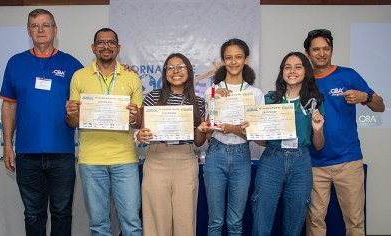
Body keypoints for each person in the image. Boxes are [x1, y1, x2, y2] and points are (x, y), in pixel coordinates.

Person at [0, 9, 83, 236]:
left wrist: (122, 69)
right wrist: (8, 145)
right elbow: (9, 106)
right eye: (35, 26)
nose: (41, 30)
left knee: (62, 213)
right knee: (33, 215)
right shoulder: (15, 63)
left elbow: (93, 92)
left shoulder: (72, 64)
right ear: (28, 31)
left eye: (46, 25)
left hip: (62, 154)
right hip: (27, 154)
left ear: (55, 30)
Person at [303, 29, 385, 236]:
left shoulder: (348, 75)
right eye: (316, 49)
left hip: (348, 161)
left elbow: (380, 106)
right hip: (313, 164)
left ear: (331, 50)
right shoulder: (303, 80)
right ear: (307, 53)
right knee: (315, 222)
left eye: (326, 49)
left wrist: (365, 96)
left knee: (355, 222)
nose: (322, 53)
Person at [65, 28, 143, 235]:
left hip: (125, 159)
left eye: (111, 43)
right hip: (91, 160)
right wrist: (72, 112)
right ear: (93, 47)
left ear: (118, 48)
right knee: (99, 225)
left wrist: (135, 115)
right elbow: (72, 122)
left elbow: (139, 122)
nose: (106, 46)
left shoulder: (131, 77)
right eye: (101, 42)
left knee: (132, 223)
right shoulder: (79, 77)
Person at [247, 52, 325, 236]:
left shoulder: (314, 102)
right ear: (282, 71)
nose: (292, 71)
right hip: (272, 159)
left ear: (306, 71)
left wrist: (318, 130)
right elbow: (263, 141)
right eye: (287, 67)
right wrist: (252, 131)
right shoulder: (269, 100)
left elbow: (319, 146)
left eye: (298, 66)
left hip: (301, 162)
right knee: (262, 218)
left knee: (295, 221)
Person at [197, 38, 264, 235]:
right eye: (229, 57)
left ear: (246, 59)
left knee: (235, 222)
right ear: (223, 61)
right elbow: (206, 128)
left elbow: (257, 134)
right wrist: (215, 103)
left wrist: (234, 129)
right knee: (215, 221)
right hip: (216, 152)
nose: (233, 62)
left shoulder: (255, 93)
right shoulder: (211, 91)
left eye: (238, 57)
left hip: (242, 155)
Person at [136, 53, 206, 236]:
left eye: (181, 67)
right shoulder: (153, 97)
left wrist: (202, 130)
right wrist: (141, 134)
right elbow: (143, 130)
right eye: (170, 67)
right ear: (165, 72)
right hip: (157, 159)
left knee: (185, 221)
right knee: (156, 220)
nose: (176, 71)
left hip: (185, 160)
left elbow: (199, 141)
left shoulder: (199, 102)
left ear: (189, 71)